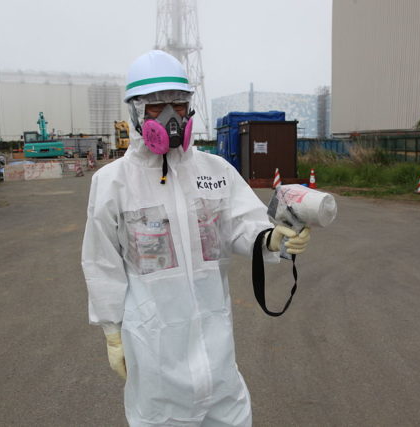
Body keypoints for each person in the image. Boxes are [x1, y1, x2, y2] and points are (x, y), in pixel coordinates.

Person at [82, 50, 310, 427]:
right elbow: (101, 261)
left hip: (215, 346)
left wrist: (272, 240)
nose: (171, 117)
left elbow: (241, 224)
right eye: (156, 107)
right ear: (135, 113)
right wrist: (112, 331)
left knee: (230, 417)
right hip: (154, 348)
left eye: (179, 104)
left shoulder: (215, 171)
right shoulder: (112, 183)